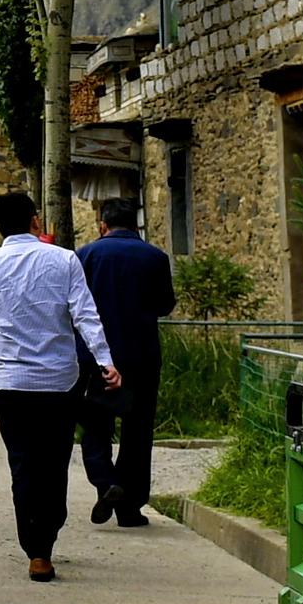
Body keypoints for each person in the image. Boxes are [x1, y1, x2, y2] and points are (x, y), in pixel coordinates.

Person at [0, 191, 122, 581]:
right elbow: (85, 315)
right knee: (54, 461)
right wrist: (105, 361)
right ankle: (46, 540)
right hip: (60, 382)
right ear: (34, 220)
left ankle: (35, 549)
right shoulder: (65, 260)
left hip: (11, 382)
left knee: (23, 463)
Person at [77, 196, 176, 529]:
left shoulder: (86, 256)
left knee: (95, 426)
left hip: (97, 357)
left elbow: (73, 306)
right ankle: (130, 509)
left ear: (102, 225)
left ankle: (107, 483)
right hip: (142, 355)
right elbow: (165, 305)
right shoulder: (155, 257)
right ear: (135, 225)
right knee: (138, 431)